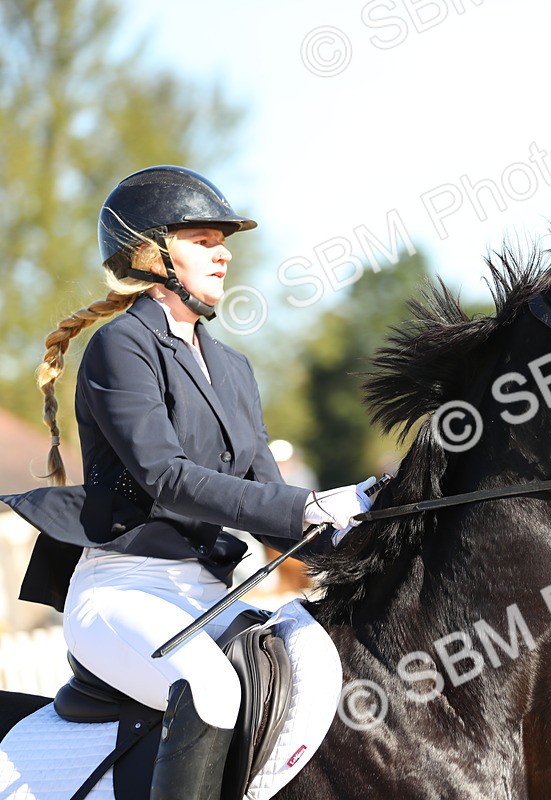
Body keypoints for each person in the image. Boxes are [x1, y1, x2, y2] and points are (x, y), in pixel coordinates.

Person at [0, 166, 378, 800]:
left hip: (210, 595)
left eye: (221, 239)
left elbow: (267, 502)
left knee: (316, 655)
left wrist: (369, 526)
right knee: (210, 686)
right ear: (152, 253)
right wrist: (311, 503)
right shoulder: (120, 347)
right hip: (124, 595)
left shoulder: (232, 367)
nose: (224, 251)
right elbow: (165, 478)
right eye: (203, 238)